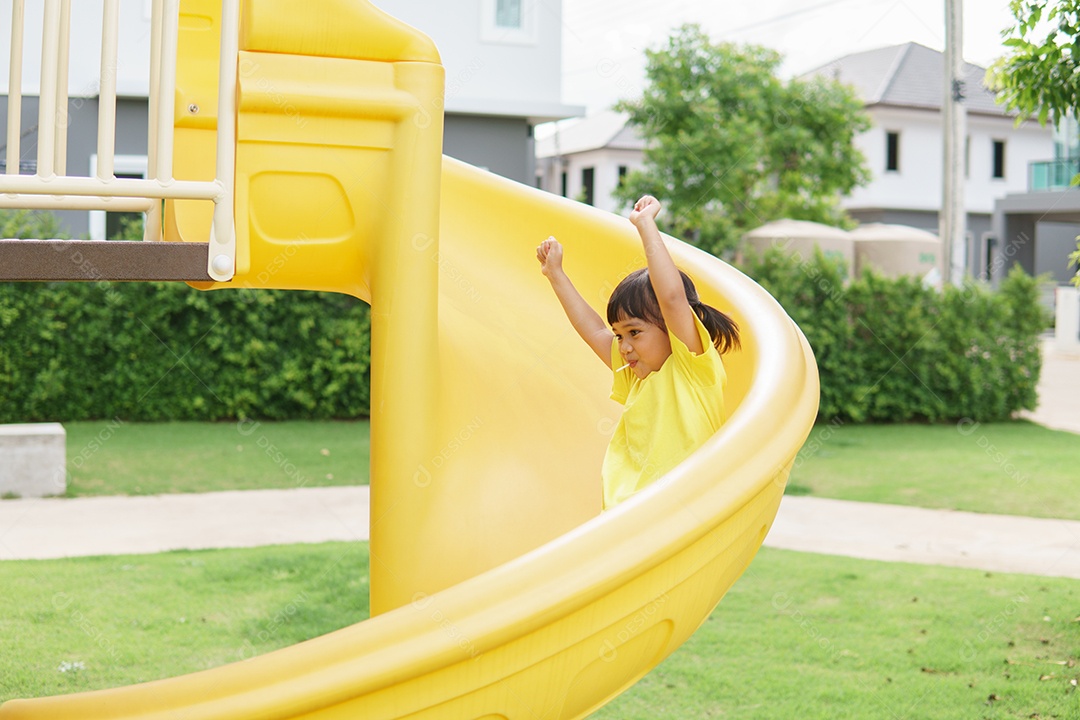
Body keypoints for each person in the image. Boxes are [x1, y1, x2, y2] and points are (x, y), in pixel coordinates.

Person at [536, 195, 740, 509]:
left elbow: (671, 298)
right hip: (627, 515)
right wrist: (555, 275)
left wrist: (646, 226)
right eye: (620, 335)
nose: (624, 346)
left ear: (671, 329)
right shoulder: (636, 377)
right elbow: (593, 330)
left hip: (676, 515)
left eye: (634, 332)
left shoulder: (692, 368)